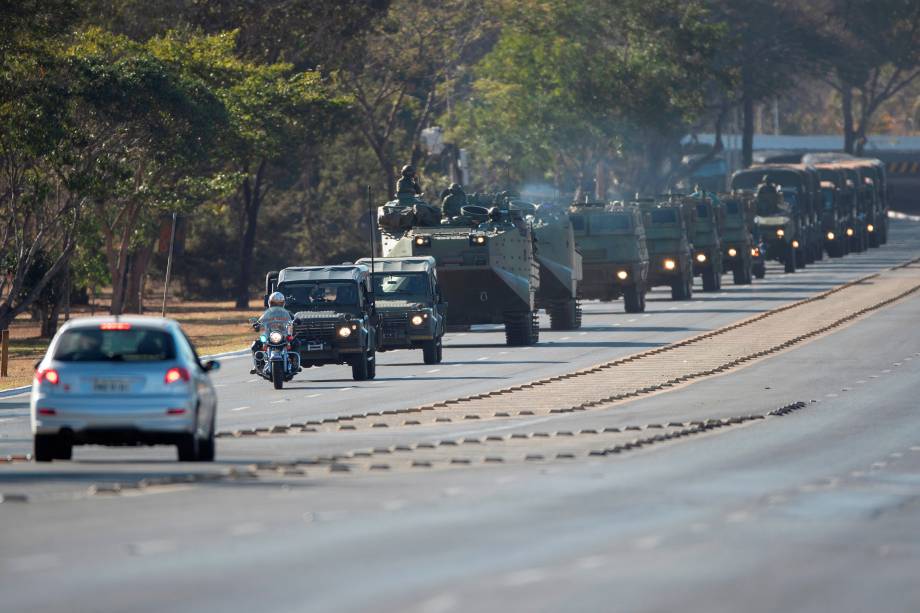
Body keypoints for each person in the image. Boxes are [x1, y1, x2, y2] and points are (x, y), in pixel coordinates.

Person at [250, 291, 294, 373]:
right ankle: (258, 365)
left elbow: (293, 319)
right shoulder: (267, 313)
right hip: (269, 335)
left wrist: (295, 322)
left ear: (283, 303)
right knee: (255, 344)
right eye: (274, 304)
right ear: (270, 303)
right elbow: (260, 321)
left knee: (296, 342)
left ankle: (294, 363)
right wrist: (256, 324)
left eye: (279, 304)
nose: (277, 306)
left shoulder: (288, 313)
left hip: (284, 336)